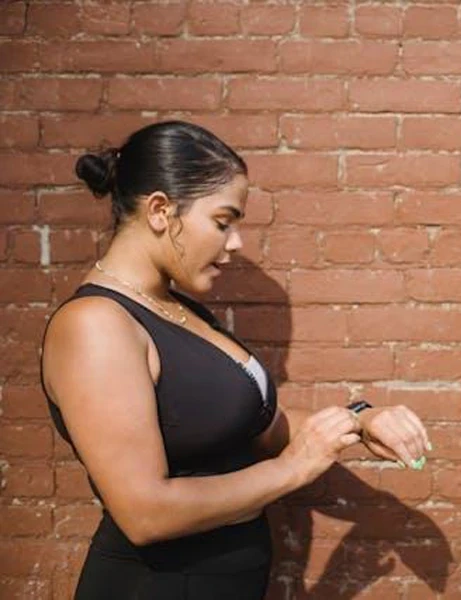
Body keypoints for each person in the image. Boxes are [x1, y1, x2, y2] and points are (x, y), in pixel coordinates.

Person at [41, 121, 431, 599]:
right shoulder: (96, 325)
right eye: (223, 221)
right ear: (161, 210)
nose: (235, 243)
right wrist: (292, 470)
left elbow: (263, 427)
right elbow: (145, 511)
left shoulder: (180, 312)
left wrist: (362, 420)